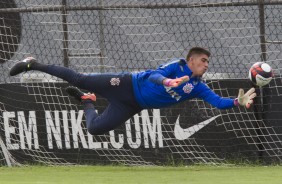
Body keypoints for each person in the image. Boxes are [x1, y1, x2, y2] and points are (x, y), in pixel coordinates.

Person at [10, 47, 256, 135]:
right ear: (191, 60)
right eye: (203, 60)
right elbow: (154, 75)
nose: (206, 65)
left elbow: (218, 103)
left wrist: (237, 101)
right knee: (80, 78)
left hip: (132, 104)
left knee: (94, 129)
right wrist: (168, 83)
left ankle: (87, 101)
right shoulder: (176, 66)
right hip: (127, 83)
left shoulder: (199, 87)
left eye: (208, 62)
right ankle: (33, 63)